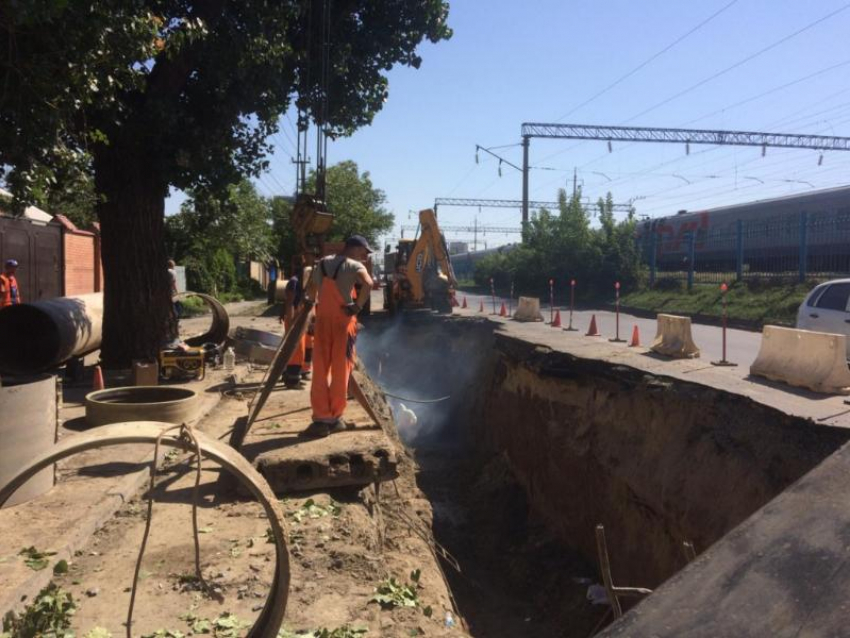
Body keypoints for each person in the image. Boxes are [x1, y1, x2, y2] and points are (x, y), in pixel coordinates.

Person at [301, 235, 374, 437]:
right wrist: (357, 306)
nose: (365, 257)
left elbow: (312, 292)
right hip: (343, 325)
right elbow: (369, 284)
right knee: (342, 370)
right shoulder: (353, 265)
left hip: (323, 324)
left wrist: (311, 315)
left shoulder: (322, 264)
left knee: (320, 369)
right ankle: (335, 418)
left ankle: (321, 417)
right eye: (363, 252)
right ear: (354, 248)